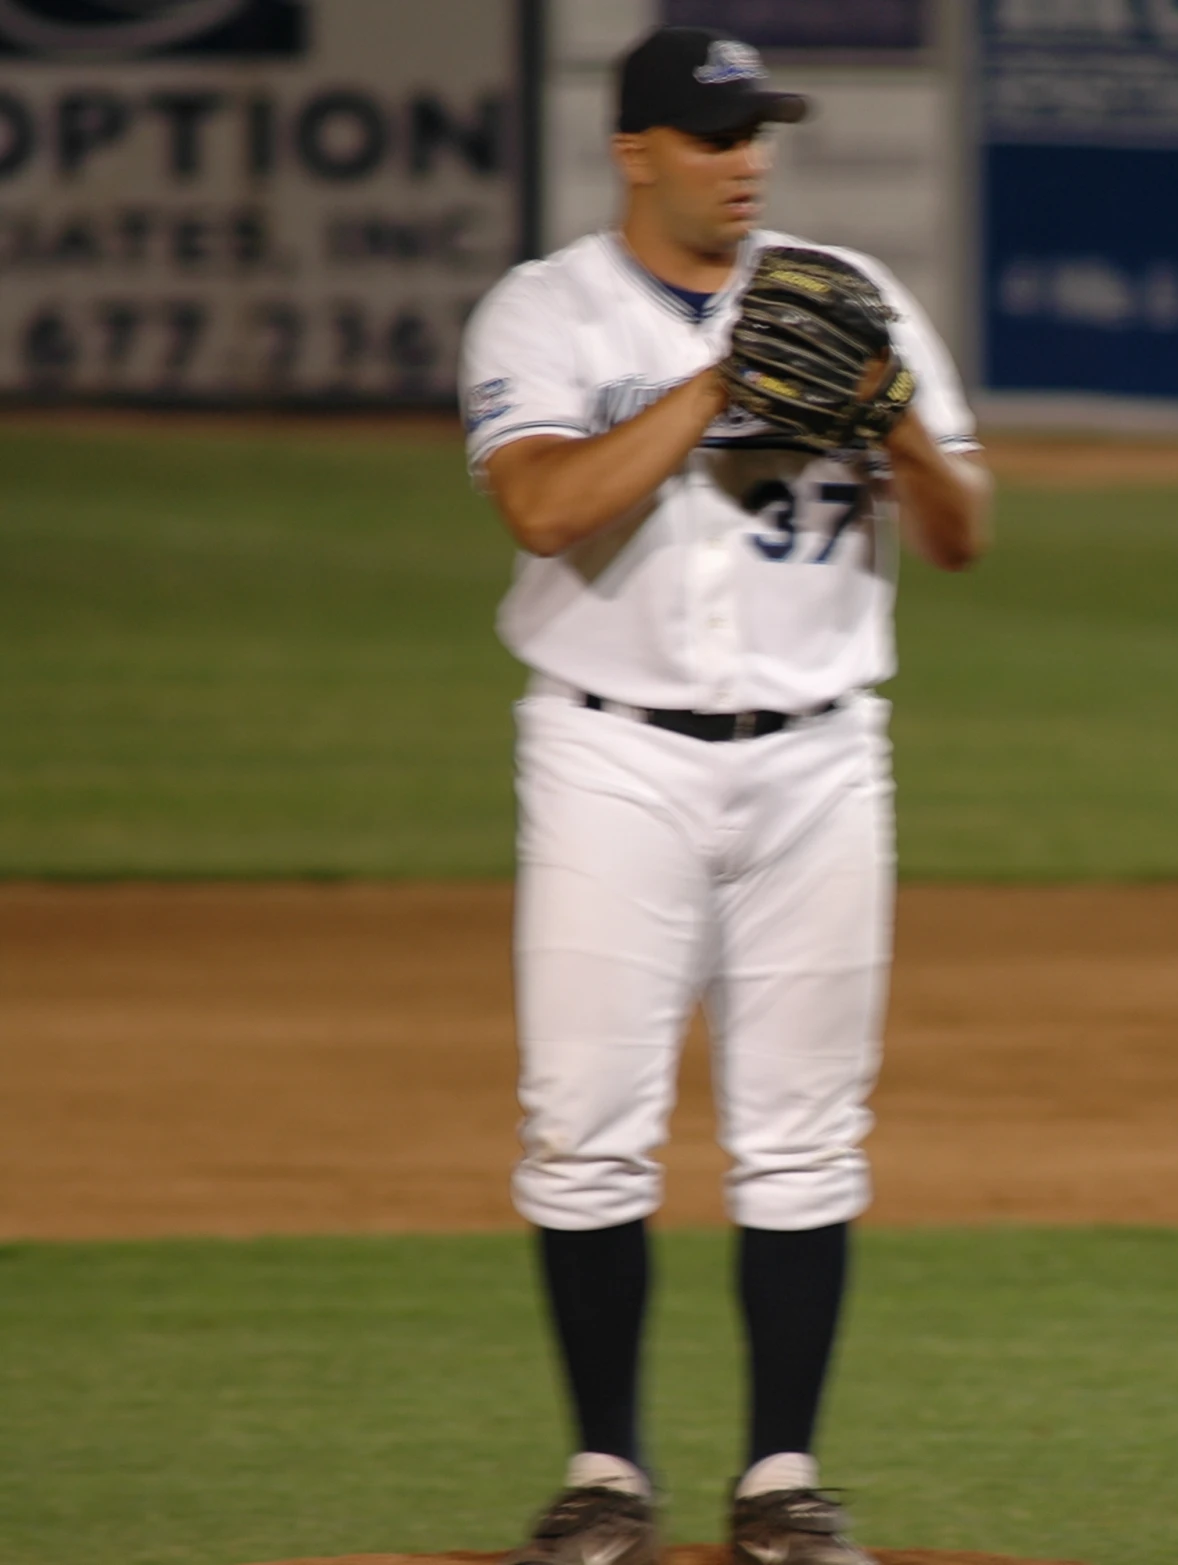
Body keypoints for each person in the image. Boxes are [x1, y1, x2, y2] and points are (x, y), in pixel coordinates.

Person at [458, 25, 990, 1565]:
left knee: (807, 1134)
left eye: (760, 131)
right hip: (610, 753)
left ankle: (781, 1483)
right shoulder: (547, 309)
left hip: (824, 756)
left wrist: (883, 401)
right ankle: (606, 1475)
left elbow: (960, 531)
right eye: (713, 135)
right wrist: (716, 389)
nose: (747, 158)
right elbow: (545, 506)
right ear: (635, 152)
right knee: (584, 1130)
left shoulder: (851, 296)